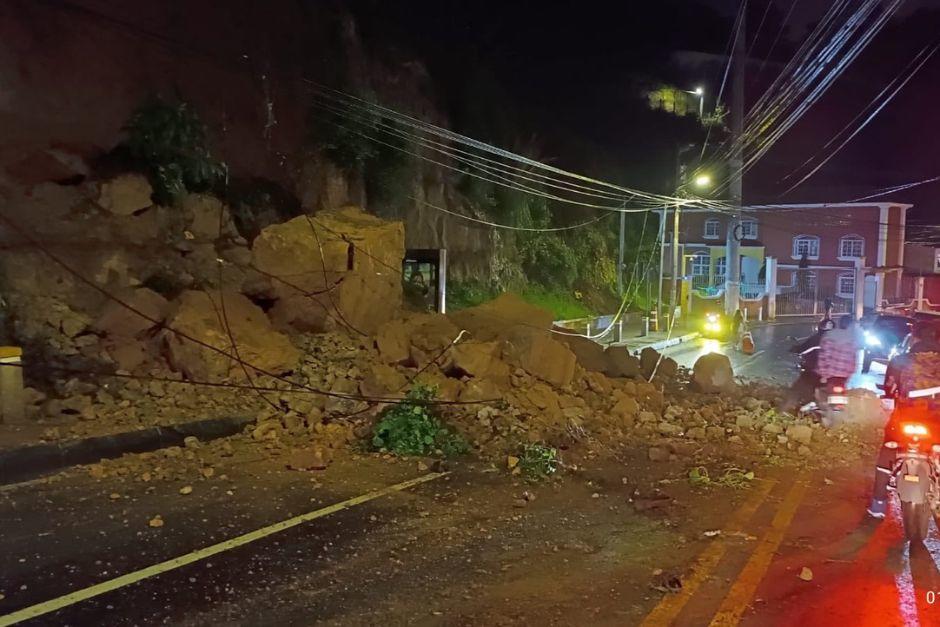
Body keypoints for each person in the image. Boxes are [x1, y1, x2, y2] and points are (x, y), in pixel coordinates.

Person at [868, 324, 940, 519]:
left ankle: (878, 505)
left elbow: (889, 389)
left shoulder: (900, 360)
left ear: (915, 340)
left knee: (888, 449)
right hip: (937, 422)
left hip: (904, 420)